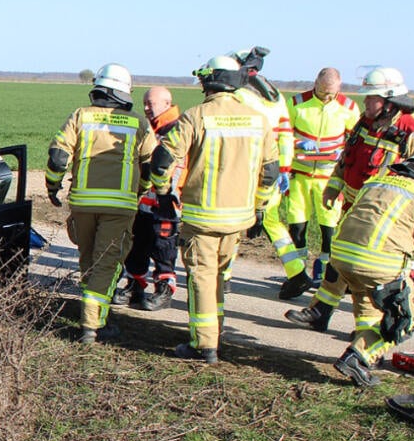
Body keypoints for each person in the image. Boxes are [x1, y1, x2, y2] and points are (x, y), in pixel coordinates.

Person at [285, 67, 414, 332]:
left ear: (390, 101)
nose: (365, 103)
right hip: (354, 208)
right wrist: (334, 186)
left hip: (386, 218)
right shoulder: (366, 122)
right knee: (338, 258)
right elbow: (348, 157)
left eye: (371, 98)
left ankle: (369, 330)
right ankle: (320, 311)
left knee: (371, 273)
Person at [150, 54, 278, 363]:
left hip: (203, 219)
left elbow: (161, 162)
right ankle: (215, 333)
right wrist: (259, 207)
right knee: (220, 278)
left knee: (202, 279)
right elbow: (271, 172)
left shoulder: (197, 116)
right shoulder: (258, 119)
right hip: (239, 219)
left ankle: (203, 345)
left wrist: (163, 192)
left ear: (210, 80)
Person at [46, 63, 157, 344]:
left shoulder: (81, 116)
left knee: (89, 262)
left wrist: (52, 185)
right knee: (106, 265)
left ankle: (96, 317)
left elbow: (58, 157)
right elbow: (152, 165)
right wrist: (141, 189)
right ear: (124, 92)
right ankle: (92, 327)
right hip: (119, 208)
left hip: (83, 204)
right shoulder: (137, 123)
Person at [320, 148, 414, 387]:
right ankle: (358, 358)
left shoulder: (378, 180)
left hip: (340, 256)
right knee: (405, 318)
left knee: (368, 308)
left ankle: (368, 357)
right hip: (377, 263)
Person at [221, 47, 295, 298]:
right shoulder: (273, 94)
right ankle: (297, 273)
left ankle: (225, 276)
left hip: (248, 168)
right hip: (273, 169)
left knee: (233, 221)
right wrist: (284, 167)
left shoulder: (240, 94)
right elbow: (285, 133)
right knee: (272, 222)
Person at [283, 68, 361, 296]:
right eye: (322, 91)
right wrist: (298, 144)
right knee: (297, 226)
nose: (326, 97)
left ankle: (327, 273)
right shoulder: (297, 103)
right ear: (315, 83)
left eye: (331, 93)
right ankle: (297, 274)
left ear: (339, 87)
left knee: (330, 228)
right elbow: (284, 133)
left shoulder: (348, 108)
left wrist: (343, 157)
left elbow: (354, 140)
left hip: (329, 178)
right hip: (300, 175)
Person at [112, 86, 183, 311]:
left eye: (150, 104)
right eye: (144, 103)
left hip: (166, 205)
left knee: (164, 249)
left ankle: (164, 290)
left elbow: (179, 170)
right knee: (137, 247)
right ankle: (135, 285)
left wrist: (169, 197)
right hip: (143, 203)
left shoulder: (178, 129)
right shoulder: (147, 129)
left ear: (166, 104)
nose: (145, 108)